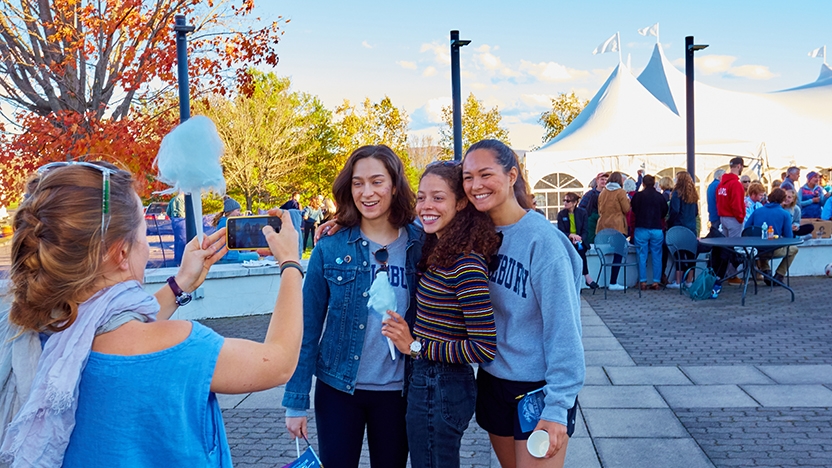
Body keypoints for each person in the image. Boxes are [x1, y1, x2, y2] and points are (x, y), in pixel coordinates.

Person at [0, 161, 303, 466]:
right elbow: (278, 362)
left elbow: (113, 325)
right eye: (143, 234)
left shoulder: (36, 331)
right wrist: (290, 263)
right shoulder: (183, 347)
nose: (146, 247)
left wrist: (179, 283)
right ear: (121, 252)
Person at [282, 145, 422, 468]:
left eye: (377, 181)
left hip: (398, 393)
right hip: (338, 390)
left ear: (395, 185)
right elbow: (306, 327)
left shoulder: (421, 245)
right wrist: (295, 401)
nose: (367, 192)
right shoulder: (329, 248)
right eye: (358, 183)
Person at [462, 140, 584, 468]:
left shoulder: (543, 242)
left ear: (512, 175)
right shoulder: (474, 233)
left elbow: (565, 329)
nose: (476, 185)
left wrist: (558, 407)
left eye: (485, 174)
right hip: (493, 381)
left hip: (539, 390)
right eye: (468, 177)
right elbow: (425, 215)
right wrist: (346, 223)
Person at [380, 161, 501, 468]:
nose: (426, 206)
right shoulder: (440, 248)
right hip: (428, 381)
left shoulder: (466, 264)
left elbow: (484, 348)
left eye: (437, 197)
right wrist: (344, 222)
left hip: (441, 385)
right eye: (421, 197)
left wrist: (415, 345)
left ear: (461, 203)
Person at [745, 188, 798, 284]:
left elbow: (746, 229)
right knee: (794, 249)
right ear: (782, 200)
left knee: (762, 242)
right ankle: (779, 274)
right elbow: (789, 237)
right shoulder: (784, 214)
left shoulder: (757, 211)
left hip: (756, 250)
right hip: (773, 249)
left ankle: (766, 271)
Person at [630, 175, 667, 290]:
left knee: (641, 255)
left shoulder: (638, 196)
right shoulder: (659, 196)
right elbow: (664, 211)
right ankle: (656, 281)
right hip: (656, 228)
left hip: (641, 228)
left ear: (643, 184)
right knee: (657, 255)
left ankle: (642, 282)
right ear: (654, 183)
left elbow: (634, 210)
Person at [557, 192, 600, 289]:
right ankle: (587, 277)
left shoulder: (582, 213)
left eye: (568, 201)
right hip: (567, 242)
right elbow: (561, 232)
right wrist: (570, 236)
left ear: (575, 202)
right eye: (564, 200)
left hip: (580, 241)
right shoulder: (561, 214)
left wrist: (579, 238)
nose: (565, 203)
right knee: (578, 253)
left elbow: (585, 230)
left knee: (579, 250)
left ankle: (577, 282)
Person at [666, 171, 701, 288]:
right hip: (691, 227)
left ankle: (678, 281)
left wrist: (669, 223)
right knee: (691, 255)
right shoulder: (694, 195)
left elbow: (675, 211)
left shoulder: (677, 194)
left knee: (679, 255)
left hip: (679, 227)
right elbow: (696, 212)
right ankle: (689, 281)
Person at [596, 171, 630, 291]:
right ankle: (613, 282)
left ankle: (604, 281)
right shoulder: (621, 192)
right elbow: (626, 209)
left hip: (603, 225)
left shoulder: (603, 193)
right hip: (617, 226)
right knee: (618, 253)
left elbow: (600, 209)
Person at [213, 197, 258, 263]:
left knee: (254, 255)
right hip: (229, 257)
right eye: (238, 210)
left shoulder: (225, 221)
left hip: (228, 255)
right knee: (256, 256)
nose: (239, 213)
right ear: (231, 211)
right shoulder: (226, 223)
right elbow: (236, 239)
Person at [578, 172, 608, 245]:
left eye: (606, 180)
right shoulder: (590, 194)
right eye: (602, 179)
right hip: (591, 225)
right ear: (597, 180)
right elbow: (581, 208)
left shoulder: (609, 195)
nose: (604, 181)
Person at [166, 192, 187, 265]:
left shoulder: (173, 199)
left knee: (177, 240)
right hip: (181, 220)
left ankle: (176, 259)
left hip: (174, 220)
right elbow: (181, 212)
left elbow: (168, 212)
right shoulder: (182, 199)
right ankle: (181, 260)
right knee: (183, 241)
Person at [706, 169, 725, 233]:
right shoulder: (719, 186)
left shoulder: (710, 186)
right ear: (720, 177)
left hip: (712, 214)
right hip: (718, 215)